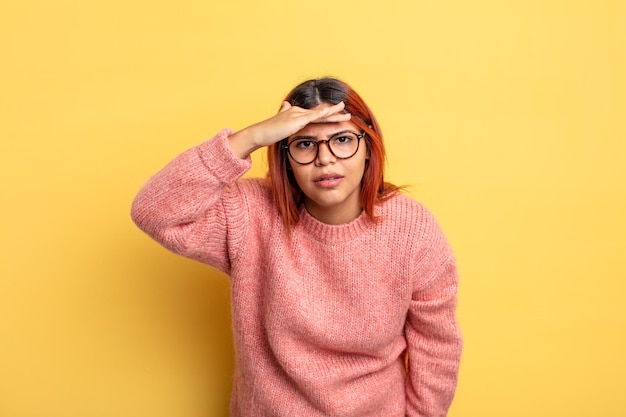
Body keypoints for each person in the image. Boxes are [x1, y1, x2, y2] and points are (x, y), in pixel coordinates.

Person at [131, 77, 463, 416]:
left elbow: (436, 348)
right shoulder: (250, 214)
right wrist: (250, 138)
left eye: (343, 140)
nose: (325, 159)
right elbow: (154, 212)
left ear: (369, 148)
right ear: (285, 156)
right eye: (305, 144)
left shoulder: (412, 230)